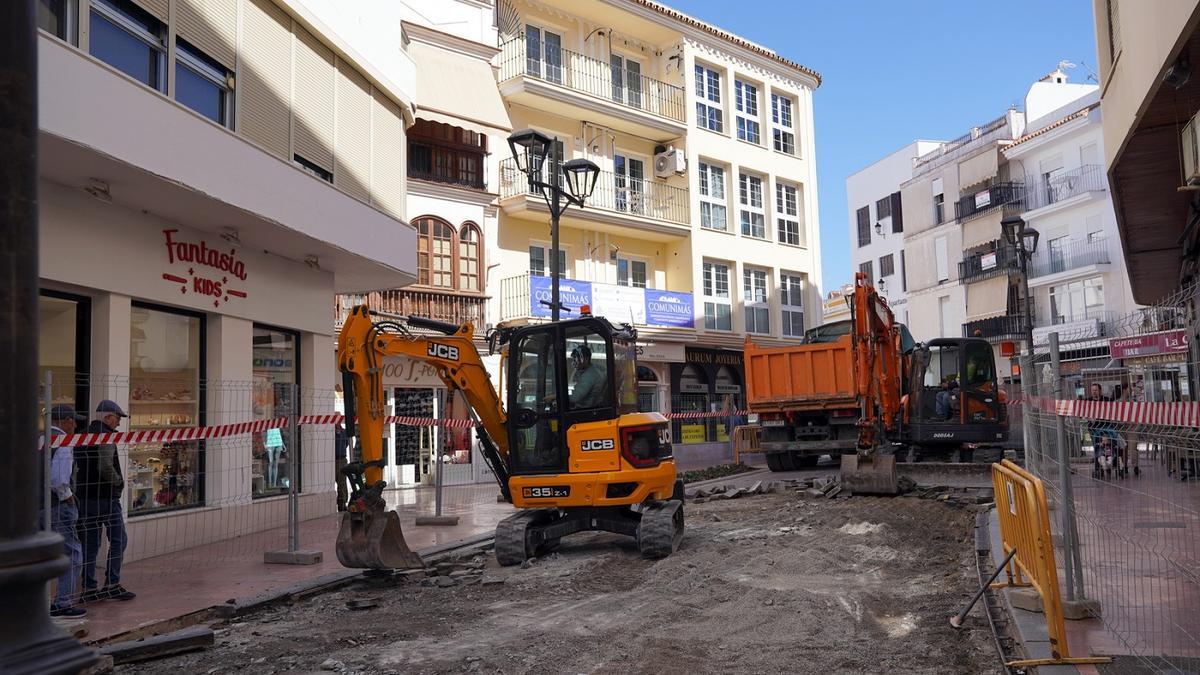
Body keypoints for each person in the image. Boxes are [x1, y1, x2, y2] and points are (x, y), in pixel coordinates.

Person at [76, 400, 135, 603]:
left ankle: (89, 589)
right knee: (119, 540)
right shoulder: (105, 436)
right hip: (106, 498)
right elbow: (105, 466)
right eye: (117, 418)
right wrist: (118, 482)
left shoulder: (83, 433)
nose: (118, 423)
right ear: (108, 416)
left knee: (90, 545)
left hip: (85, 498)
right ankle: (112, 584)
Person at [45, 405, 87, 618]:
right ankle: (63, 603)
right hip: (57, 505)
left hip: (35, 505)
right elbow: (59, 480)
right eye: (74, 420)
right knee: (72, 553)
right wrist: (69, 498)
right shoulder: (63, 443)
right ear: (66, 421)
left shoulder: (40, 438)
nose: (76, 425)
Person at [334, 422, 349, 511]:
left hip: (341, 459)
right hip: (333, 459)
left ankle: (342, 503)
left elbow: (346, 444)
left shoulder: (344, 432)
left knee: (342, 482)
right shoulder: (331, 432)